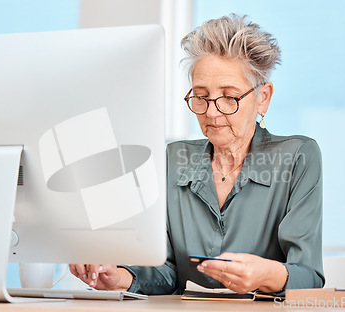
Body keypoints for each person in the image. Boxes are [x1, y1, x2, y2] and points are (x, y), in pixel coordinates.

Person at [69, 13, 324, 295]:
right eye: (201, 96)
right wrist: (120, 278)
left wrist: (268, 275)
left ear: (263, 97)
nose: (211, 112)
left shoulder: (298, 157)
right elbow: (167, 273)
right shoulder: (174, 158)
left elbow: (309, 276)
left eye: (229, 97)